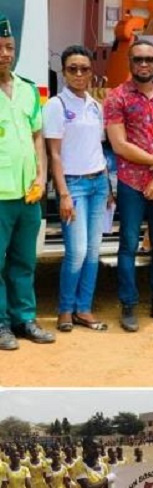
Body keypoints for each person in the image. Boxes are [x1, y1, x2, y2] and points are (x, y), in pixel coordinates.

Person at [104, 40, 153, 332]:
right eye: (138, 59)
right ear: (130, 62)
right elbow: (119, 145)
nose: (144, 64)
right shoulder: (116, 98)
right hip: (131, 184)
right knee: (128, 245)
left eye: (149, 59)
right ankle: (128, 306)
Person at [43, 45, 111, 332]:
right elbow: (54, 155)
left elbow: (98, 148)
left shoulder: (95, 105)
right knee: (77, 251)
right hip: (74, 186)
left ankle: (84, 308)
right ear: (64, 72)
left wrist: (108, 186)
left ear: (91, 71)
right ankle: (65, 310)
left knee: (94, 251)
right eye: (73, 68)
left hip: (97, 183)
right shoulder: (56, 106)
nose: (79, 74)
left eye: (84, 68)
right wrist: (64, 194)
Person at [0, 13, 54, 350]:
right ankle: (1, 324)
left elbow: (38, 138)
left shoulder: (28, 90)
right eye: (0, 48)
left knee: (23, 261)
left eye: (9, 47)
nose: (5, 54)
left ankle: (25, 320)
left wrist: (41, 175)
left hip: (27, 194)